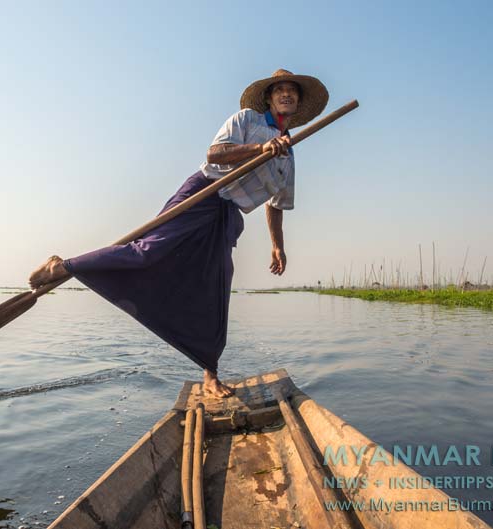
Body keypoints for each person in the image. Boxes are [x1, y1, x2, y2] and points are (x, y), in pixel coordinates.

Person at [28, 69, 328, 397]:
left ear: (298, 102)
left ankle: (210, 373)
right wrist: (261, 149)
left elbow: (276, 203)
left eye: (292, 91)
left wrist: (277, 246)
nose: (286, 94)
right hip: (203, 193)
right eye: (280, 89)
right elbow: (215, 154)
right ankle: (62, 266)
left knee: (216, 287)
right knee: (148, 253)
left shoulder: (289, 154)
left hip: (226, 215)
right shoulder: (247, 120)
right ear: (269, 97)